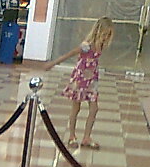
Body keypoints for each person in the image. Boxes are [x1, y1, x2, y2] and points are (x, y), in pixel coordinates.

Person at [44, 17, 114, 150]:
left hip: (92, 80)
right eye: (104, 34)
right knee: (76, 108)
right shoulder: (87, 45)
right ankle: (72, 136)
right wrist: (53, 63)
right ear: (98, 31)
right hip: (80, 79)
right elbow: (70, 54)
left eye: (108, 35)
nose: (106, 37)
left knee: (94, 108)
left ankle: (87, 137)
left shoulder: (101, 46)